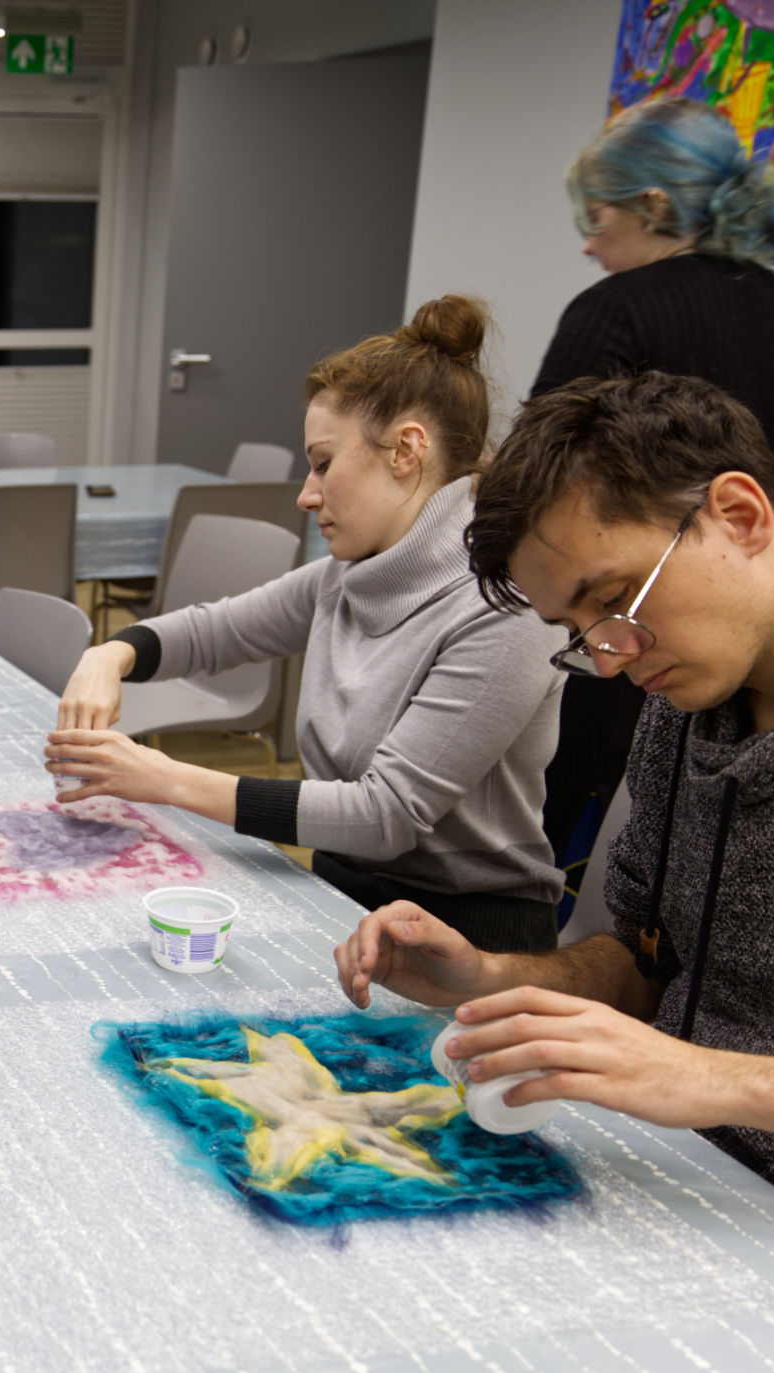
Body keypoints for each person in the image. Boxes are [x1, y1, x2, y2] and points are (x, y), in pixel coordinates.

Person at [337, 371, 774, 1357]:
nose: (610, 656)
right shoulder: (689, 704)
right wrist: (489, 976)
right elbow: (648, 960)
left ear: (739, 515)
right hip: (699, 1209)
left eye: (611, 599)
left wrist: (719, 1079)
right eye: (578, 633)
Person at [48, 296, 567, 953]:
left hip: (468, 938)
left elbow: (385, 816)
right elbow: (213, 632)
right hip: (339, 895)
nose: (306, 493)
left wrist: (165, 779)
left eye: (323, 463)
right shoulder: (348, 574)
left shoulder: (505, 608)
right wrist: (109, 656)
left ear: (407, 450)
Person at [533, 96, 774, 871]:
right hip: (765, 655)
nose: (588, 244)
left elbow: (544, 489)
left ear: (654, 205)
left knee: (591, 862)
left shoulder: (615, 311)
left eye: (597, 219)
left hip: (637, 655)